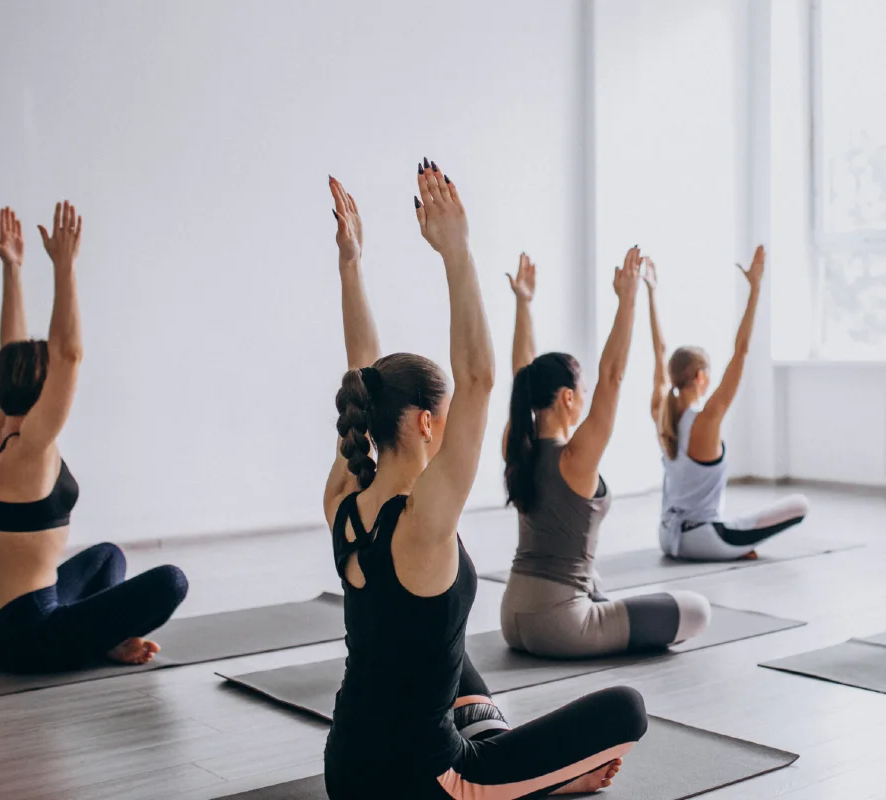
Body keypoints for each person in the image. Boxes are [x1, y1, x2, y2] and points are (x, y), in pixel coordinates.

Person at [322, 163, 647, 800]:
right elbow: (477, 379)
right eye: (444, 418)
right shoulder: (424, 522)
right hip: (425, 784)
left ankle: (521, 768)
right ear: (423, 423)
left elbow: (359, 371)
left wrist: (351, 263)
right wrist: (457, 250)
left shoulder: (344, 498)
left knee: (446, 644)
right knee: (627, 709)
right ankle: (539, 783)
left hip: (347, 768)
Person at [0, 203, 188, 673]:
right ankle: (97, 643)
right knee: (170, 581)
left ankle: (97, 637)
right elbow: (68, 354)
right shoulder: (32, 449)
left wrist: (13, 269)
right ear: (43, 389)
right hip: (26, 634)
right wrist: (65, 268)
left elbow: (11, 353)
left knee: (106, 557)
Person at [500, 251, 710, 659]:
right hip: (561, 627)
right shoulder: (574, 457)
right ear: (566, 397)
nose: (584, 399)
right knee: (696, 610)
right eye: (580, 392)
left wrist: (524, 303)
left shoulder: (517, 446)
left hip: (512, 617)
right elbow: (612, 376)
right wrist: (626, 299)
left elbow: (521, 374)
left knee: (594, 579)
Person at [646, 247, 809, 561]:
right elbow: (742, 350)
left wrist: (652, 293)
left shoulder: (661, 414)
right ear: (701, 376)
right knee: (800, 505)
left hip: (667, 536)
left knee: (736, 522)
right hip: (702, 540)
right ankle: (732, 545)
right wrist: (755, 289)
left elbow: (659, 351)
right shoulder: (707, 419)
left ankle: (733, 542)